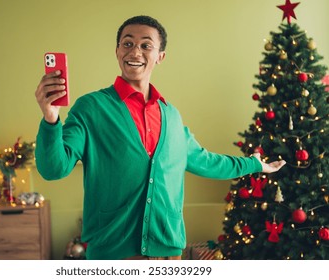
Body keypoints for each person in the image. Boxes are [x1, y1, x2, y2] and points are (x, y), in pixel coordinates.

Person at [34, 15, 286, 260]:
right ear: (117, 51)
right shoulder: (91, 108)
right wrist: (50, 118)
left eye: (146, 45)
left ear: (160, 56)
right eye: (128, 43)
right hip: (113, 255)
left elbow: (207, 161)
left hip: (168, 253)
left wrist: (254, 164)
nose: (135, 52)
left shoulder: (172, 116)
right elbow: (54, 168)